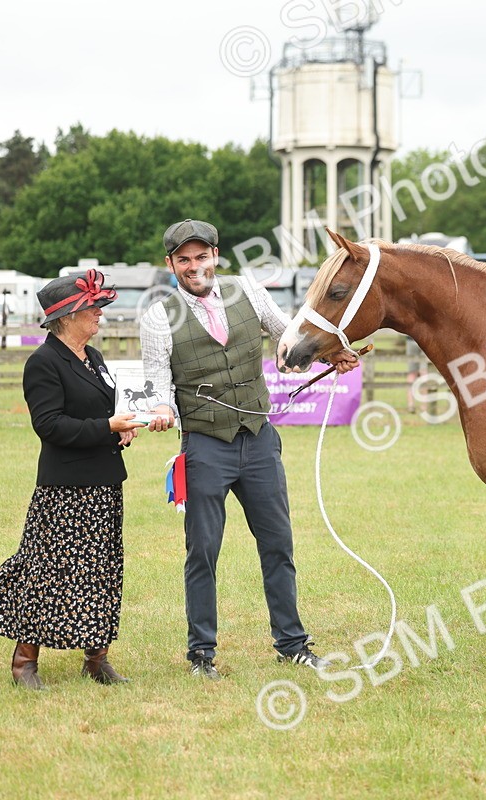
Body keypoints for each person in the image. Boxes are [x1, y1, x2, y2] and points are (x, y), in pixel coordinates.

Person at [140, 219, 345, 680]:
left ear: (217, 254)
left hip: (258, 440)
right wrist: (159, 407)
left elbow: (287, 334)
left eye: (202, 256)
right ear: (170, 264)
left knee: (278, 544)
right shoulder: (158, 317)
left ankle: (292, 645)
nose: (195, 267)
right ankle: (201, 656)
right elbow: (157, 381)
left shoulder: (247, 290)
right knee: (203, 552)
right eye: (184, 259)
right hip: (204, 446)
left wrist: (332, 352)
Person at [0, 270, 145, 690]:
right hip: (63, 489)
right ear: (67, 317)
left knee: (102, 570)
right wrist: (106, 426)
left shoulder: (96, 358)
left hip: (104, 482)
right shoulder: (43, 362)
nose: (99, 314)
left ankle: (96, 658)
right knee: (47, 572)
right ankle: (24, 663)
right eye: (92, 308)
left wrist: (119, 431)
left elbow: (102, 415)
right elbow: (50, 426)